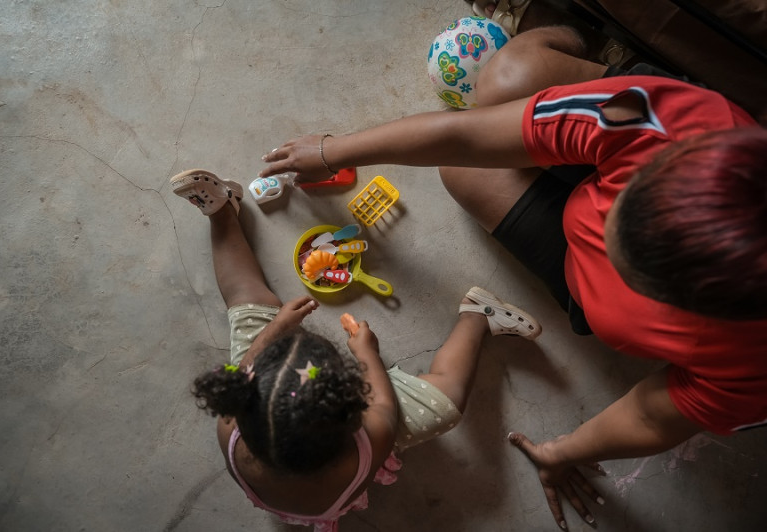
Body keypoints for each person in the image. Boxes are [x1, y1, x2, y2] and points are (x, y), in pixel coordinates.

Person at [258, 24, 767, 530]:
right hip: (620, 141)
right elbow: (464, 134)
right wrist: (334, 150)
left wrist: (560, 451)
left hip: (604, 223)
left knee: (465, 169)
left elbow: (654, 416)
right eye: (623, 207)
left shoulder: (754, 374)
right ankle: (577, 43)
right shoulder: (661, 119)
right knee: (502, 84)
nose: (598, 226)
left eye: (632, 276)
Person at [170, 168, 542, 531]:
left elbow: (244, 369)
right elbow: (382, 402)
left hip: (276, 421)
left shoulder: (229, 428)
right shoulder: (368, 445)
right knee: (446, 404)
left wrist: (276, 327)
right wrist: (367, 354)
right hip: (358, 422)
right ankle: (478, 316)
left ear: (241, 398)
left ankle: (220, 212)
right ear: (351, 409)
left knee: (243, 297)